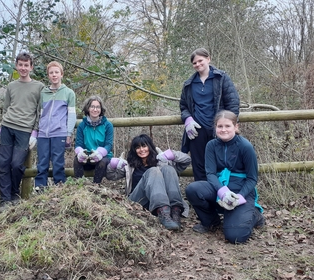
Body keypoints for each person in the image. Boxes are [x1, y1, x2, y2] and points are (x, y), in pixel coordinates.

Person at [185, 110, 265, 244]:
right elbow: (210, 173)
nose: (223, 130)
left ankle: (255, 215)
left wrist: (240, 197)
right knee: (193, 189)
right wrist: (223, 191)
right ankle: (211, 222)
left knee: (236, 236)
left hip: (241, 189)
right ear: (215, 127)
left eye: (227, 126)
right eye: (220, 126)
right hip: (220, 185)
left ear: (236, 127)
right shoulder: (211, 146)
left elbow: (252, 178)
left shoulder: (245, 146)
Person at [106, 134, 191, 230]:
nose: (141, 150)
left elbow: (186, 160)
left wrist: (172, 154)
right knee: (153, 171)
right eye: (137, 147)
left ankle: (175, 212)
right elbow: (110, 175)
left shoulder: (162, 160)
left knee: (169, 169)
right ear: (134, 150)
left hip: (165, 200)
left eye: (144, 146)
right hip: (138, 201)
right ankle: (163, 213)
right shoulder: (129, 166)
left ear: (150, 146)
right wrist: (113, 164)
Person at [180, 48, 240, 181]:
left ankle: (221, 196)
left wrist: (229, 125)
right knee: (199, 165)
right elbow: (183, 106)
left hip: (218, 129)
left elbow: (233, 103)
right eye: (194, 63)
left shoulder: (221, 78)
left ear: (208, 59)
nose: (198, 64)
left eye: (200, 60)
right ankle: (202, 197)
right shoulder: (189, 84)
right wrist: (188, 119)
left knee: (220, 163)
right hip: (196, 131)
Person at [0, 52, 45, 211]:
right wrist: (0, 128)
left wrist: (35, 133)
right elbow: (6, 108)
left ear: (31, 67)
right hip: (7, 126)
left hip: (24, 130)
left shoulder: (39, 87)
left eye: (26, 65)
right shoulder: (11, 86)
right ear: (16, 66)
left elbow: (40, 111)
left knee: (17, 164)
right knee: (3, 164)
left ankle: (14, 193)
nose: (23, 68)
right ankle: (5, 200)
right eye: (20, 65)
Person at [34, 61, 76, 190]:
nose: (54, 75)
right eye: (51, 73)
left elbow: (72, 115)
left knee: (58, 163)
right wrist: (36, 131)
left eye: (56, 72)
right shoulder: (43, 93)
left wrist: (69, 133)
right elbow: (39, 113)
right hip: (43, 133)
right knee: (42, 162)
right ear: (48, 76)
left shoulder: (69, 93)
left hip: (59, 132)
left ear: (61, 74)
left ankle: (59, 189)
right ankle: (40, 189)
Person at [73, 96, 113, 184]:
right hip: (87, 157)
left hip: (103, 158)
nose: (95, 110)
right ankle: (78, 186)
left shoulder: (108, 125)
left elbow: (108, 145)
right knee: (76, 159)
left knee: (102, 161)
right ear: (88, 108)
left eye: (98, 107)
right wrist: (80, 153)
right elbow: (78, 144)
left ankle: (96, 186)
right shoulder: (82, 125)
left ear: (101, 109)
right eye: (92, 106)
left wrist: (100, 153)